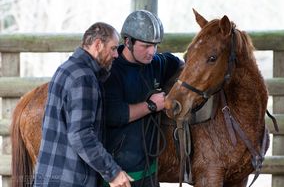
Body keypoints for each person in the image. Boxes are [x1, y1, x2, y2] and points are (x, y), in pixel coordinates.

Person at [33, 22, 133, 187]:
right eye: (113, 48)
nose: (116, 55)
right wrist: (113, 172)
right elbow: (81, 135)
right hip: (70, 181)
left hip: (49, 177)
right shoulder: (84, 78)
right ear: (98, 45)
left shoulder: (65, 68)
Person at [102, 10, 184, 187]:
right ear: (128, 42)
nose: (152, 52)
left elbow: (182, 65)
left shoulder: (156, 63)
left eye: (155, 45)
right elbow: (114, 114)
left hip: (150, 169)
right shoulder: (112, 71)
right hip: (119, 172)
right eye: (145, 46)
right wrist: (152, 106)